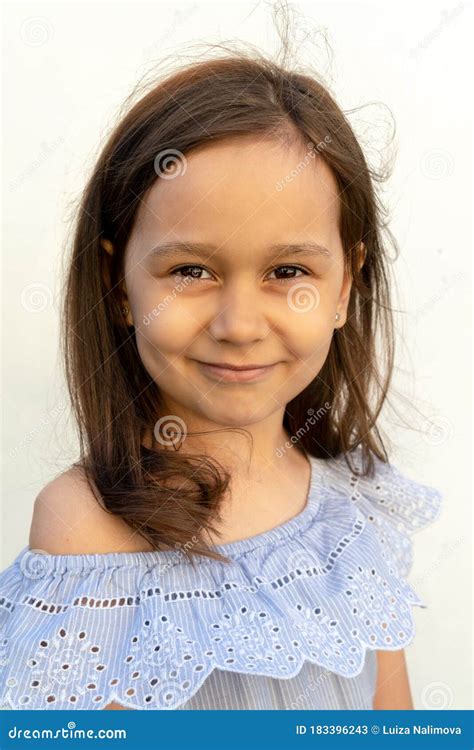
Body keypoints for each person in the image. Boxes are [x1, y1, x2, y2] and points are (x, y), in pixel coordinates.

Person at [0, 49, 442, 711]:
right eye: (190, 271)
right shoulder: (88, 531)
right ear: (117, 285)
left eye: (288, 272)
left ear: (344, 285)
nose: (239, 324)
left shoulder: (354, 508)